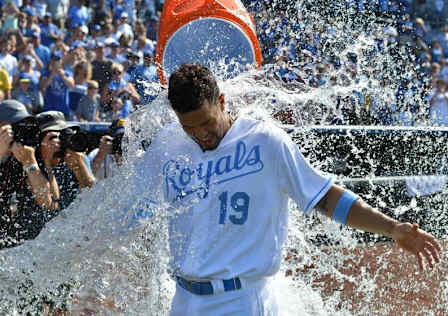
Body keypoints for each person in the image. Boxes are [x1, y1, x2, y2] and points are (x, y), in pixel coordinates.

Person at [126, 63, 441, 315]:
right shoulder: (168, 146)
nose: (200, 134)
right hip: (184, 301)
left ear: (221, 102)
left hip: (241, 302)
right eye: (189, 127)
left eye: (206, 123)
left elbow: (325, 198)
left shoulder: (265, 141)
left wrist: (391, 227)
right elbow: (126, 211)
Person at [0, 100, 59, 250]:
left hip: (4, 240)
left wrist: (30, 162)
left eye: (23, 125)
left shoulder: (27, 150)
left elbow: (48, 203)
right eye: (16, 126)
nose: (20, 132)